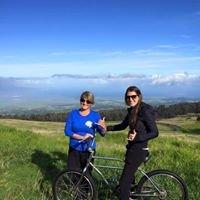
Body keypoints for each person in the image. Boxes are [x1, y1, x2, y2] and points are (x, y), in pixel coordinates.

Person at [107, 86, 159, 200]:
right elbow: (122, 125)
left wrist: (138, 137)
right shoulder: (132, 110)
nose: (130, 99)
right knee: (129, 182)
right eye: (128, 97)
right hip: (132, 149)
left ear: (139, 96)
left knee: (124, 185)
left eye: (133, 96)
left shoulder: (144, 111)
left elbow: (155, 132)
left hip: (138, 151)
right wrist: (105, 128)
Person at [64, 91, 106, 173]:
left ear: (92, 103)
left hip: (89, 150)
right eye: (82, 100)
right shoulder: (73, 114)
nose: (84, 103)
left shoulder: (95, 115)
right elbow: (67, 131)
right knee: (72, 174)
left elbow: (103, 133)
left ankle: (85, 186)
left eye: (88, 101)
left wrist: (103, 126)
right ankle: (73, 186)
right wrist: (82, 137)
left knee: (86, 176)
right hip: (74, 149)